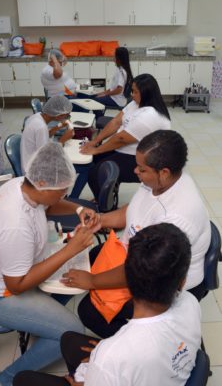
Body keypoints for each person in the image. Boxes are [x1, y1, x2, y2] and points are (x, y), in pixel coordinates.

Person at [0, 142, 99, 386]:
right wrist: (71, 249)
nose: (64, 196)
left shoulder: (21, 184)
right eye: (61, 191)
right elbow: (16, 285)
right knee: (70, 332)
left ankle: (43, 326)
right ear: (41, 183)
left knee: (67, 278)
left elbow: (50, 203)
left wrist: (79, 208)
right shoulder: (14, 222)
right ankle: (6, 379)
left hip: (3, 280)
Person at [62, 130, 211, 338]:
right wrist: (101, 220)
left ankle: (144, 343)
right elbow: (132, 210)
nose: (135, 171)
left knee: (89, 312)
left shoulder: (176, 218)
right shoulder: (158, 180)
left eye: (141, 169)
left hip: (161, 281)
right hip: (138, 255)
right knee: (93, 255)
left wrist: (93, 282)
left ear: (164, 172)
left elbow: (145, 271)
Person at [13, 223, 201, 386]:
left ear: (128, 282)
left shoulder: (113, 355)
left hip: (116, 363)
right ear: (182, 281)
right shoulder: (191, 303)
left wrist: (91, 374)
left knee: (23, 380)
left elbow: (124, 356)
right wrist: (107, 358)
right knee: (69, 340)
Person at [80, 74, 171, 201]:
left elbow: (121, 139)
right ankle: (104, 195)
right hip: (127, 150)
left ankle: (105, 207)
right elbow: (115, 122)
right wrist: (95, 142)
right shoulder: (135, 104)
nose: (132, 94)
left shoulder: (150, 115)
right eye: (132, 90)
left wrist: (96, 149)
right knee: (93, 160)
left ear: (146, 94)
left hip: (144, 160)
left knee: (95, 173)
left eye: (135, 92)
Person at [21, 95, 74, 174]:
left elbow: (45, 135)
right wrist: (62, 140)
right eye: (67, 116)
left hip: (31, 161)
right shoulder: (40, 127)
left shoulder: (37, 116)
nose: (67, 118)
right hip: (33, 171)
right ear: (59, 115)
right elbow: (46, 156)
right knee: (74, 167)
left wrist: (59, 126)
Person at [93, 47, 133, 116]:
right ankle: (100, 118)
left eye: (114, 55)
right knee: (96, 96)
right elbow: (113, 88)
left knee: (95, 101)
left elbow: (119, 90)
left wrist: (105, 94)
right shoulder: (121, 69)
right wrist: (101, 93)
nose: (113, 57)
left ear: (119, 58)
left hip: (117, 100)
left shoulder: (121, 72)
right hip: (115, 97)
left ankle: (100, 121)